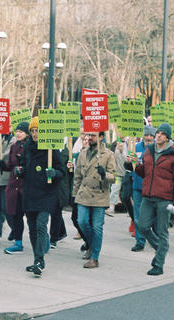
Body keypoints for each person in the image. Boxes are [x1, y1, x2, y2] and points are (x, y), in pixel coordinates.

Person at [133, 123, 174, 276]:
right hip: (148, 196)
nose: (159, 135)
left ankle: (158, 264)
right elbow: (145, 173)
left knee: (162, 231)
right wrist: (136, 164)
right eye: (158, 133)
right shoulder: (149, 151)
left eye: (162, 133)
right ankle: (161, 247)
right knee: (142, 226)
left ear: (168, 137)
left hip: (165, 199)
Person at [19, 116, 64, 276]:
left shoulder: (52, 149)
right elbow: (24, 166)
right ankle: (37, 259)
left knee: (40, 225)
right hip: (30, 193)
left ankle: (39, 260)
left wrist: (55, 173)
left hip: (46, 193)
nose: (35, 134)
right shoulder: (27, 148)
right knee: (31, 229)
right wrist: (20, 171)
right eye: (33, 131)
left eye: (38, 131)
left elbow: (62, 172)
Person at [73, 131, 116, 269]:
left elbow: (113, 177)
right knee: (82, 221)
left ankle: (94, 257)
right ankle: (91, 244)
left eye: (93, 135)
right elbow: (78, 175)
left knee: (97, 227)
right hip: (84, 193)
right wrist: (75, 193)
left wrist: (105, 174)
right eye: (88, 135)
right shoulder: (83, 153)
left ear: (101, 137)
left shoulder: (108, 154)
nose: (89, 138)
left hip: (99, 194)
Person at [3, 122, 29, 254]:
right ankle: (18, 242)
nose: (18, 134)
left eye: (21, 131)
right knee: (15, 216)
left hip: (26, 187)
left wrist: (24, 169)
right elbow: (10, 165)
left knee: (31, 217)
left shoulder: (31, 146)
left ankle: (42, 239)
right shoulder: (13, 147)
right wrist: (2, 164)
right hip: (14, 187)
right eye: (17, 131)